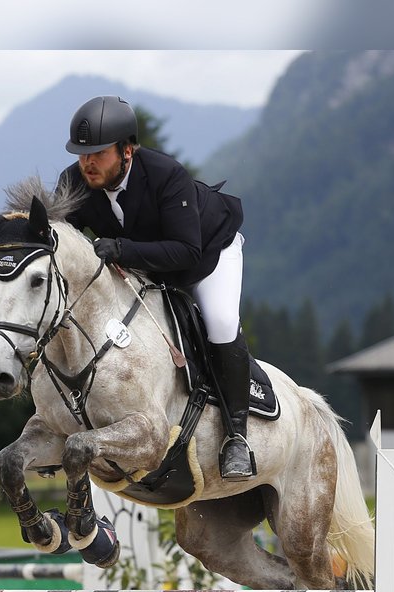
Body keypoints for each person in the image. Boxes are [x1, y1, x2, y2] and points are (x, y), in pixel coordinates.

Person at [57, 95, 254, 480]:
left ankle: (237, 438)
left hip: (207, 253)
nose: (87, 163)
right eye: (82, 154)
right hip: (144, 264)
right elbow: (59, 241)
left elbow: (186, 250)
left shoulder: (166, 175)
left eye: (98, 153)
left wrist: (121, 249)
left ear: (127, 151)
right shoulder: (74, 183)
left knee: (219, 320)